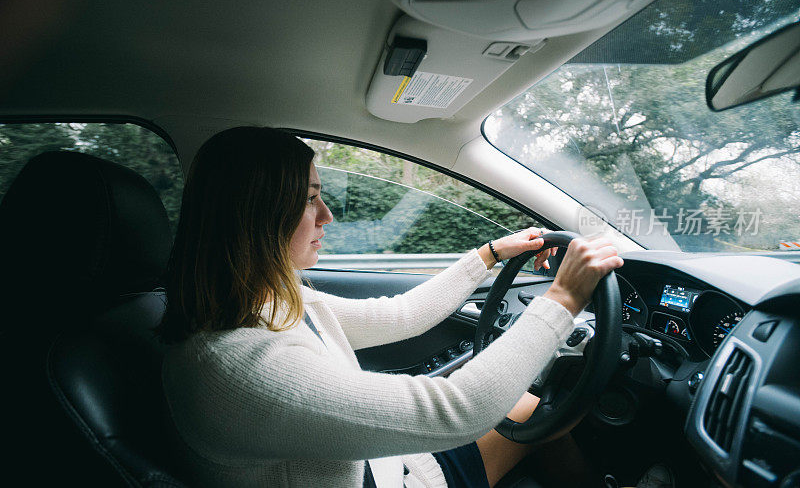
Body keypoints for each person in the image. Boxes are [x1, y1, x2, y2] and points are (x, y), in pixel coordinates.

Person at [159, 127, 624, 488]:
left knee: (530, 408)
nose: (327, 216)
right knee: (543, 415)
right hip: (385, 478)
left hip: (382, 466)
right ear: (256, 218)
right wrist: (562, 299)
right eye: (309, 199)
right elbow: (456, 411)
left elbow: (401, 314)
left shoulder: (268, 301)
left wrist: (489, 255)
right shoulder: (237, 364)